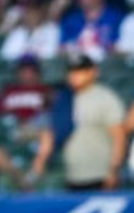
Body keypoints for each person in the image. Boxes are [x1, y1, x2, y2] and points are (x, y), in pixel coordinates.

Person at [31, 55, 126, 191]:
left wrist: (114, 170)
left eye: (80, 71)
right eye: (71, 71)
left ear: (93, 72)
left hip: (101, 176)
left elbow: (119, 138)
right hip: (71, 176)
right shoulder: (63, 99)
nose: (74, 75)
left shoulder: (106, 98)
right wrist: (41, 160)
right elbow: (52, 132)